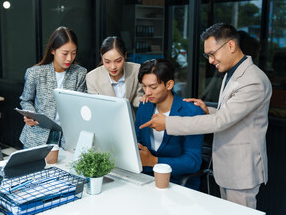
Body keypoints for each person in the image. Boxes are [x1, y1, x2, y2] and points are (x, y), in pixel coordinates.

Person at [140, 23, 272, 209]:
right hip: (227, 166)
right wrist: (208, 110)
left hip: (241, 169)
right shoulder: (232, 73)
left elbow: (221, 122)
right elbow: (233, 113)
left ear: (231, 46)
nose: (210, 60)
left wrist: (168, 123)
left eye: (212, 54)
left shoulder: (253, 81)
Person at [135, 59, 204, 190]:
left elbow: (193, 162)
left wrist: (154, 161)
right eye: (144, 86)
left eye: (153, 87)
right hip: (145, 178)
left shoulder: (191, 112)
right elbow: (136, 143)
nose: (147, 92)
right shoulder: (144, 107)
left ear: (169, 84)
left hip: (176, 182)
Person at [19, 26, 87, 148]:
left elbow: (79, 106)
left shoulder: (80, 73)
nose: (69, 58)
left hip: (67, 137)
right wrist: (31, 114)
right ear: (52, 50)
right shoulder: (35, 73)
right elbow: (26, 100)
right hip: (37, 135)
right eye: (65, 53)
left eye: (73, 53)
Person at [86, 36, 143, 108]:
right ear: (102, 57)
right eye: (107, 62)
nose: (113, 67)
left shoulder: (136, 70)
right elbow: (95, 106)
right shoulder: (92, 78)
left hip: (128, 117)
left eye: (118, 61)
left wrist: (142, 100)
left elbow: (137, 97)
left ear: (125, 56)